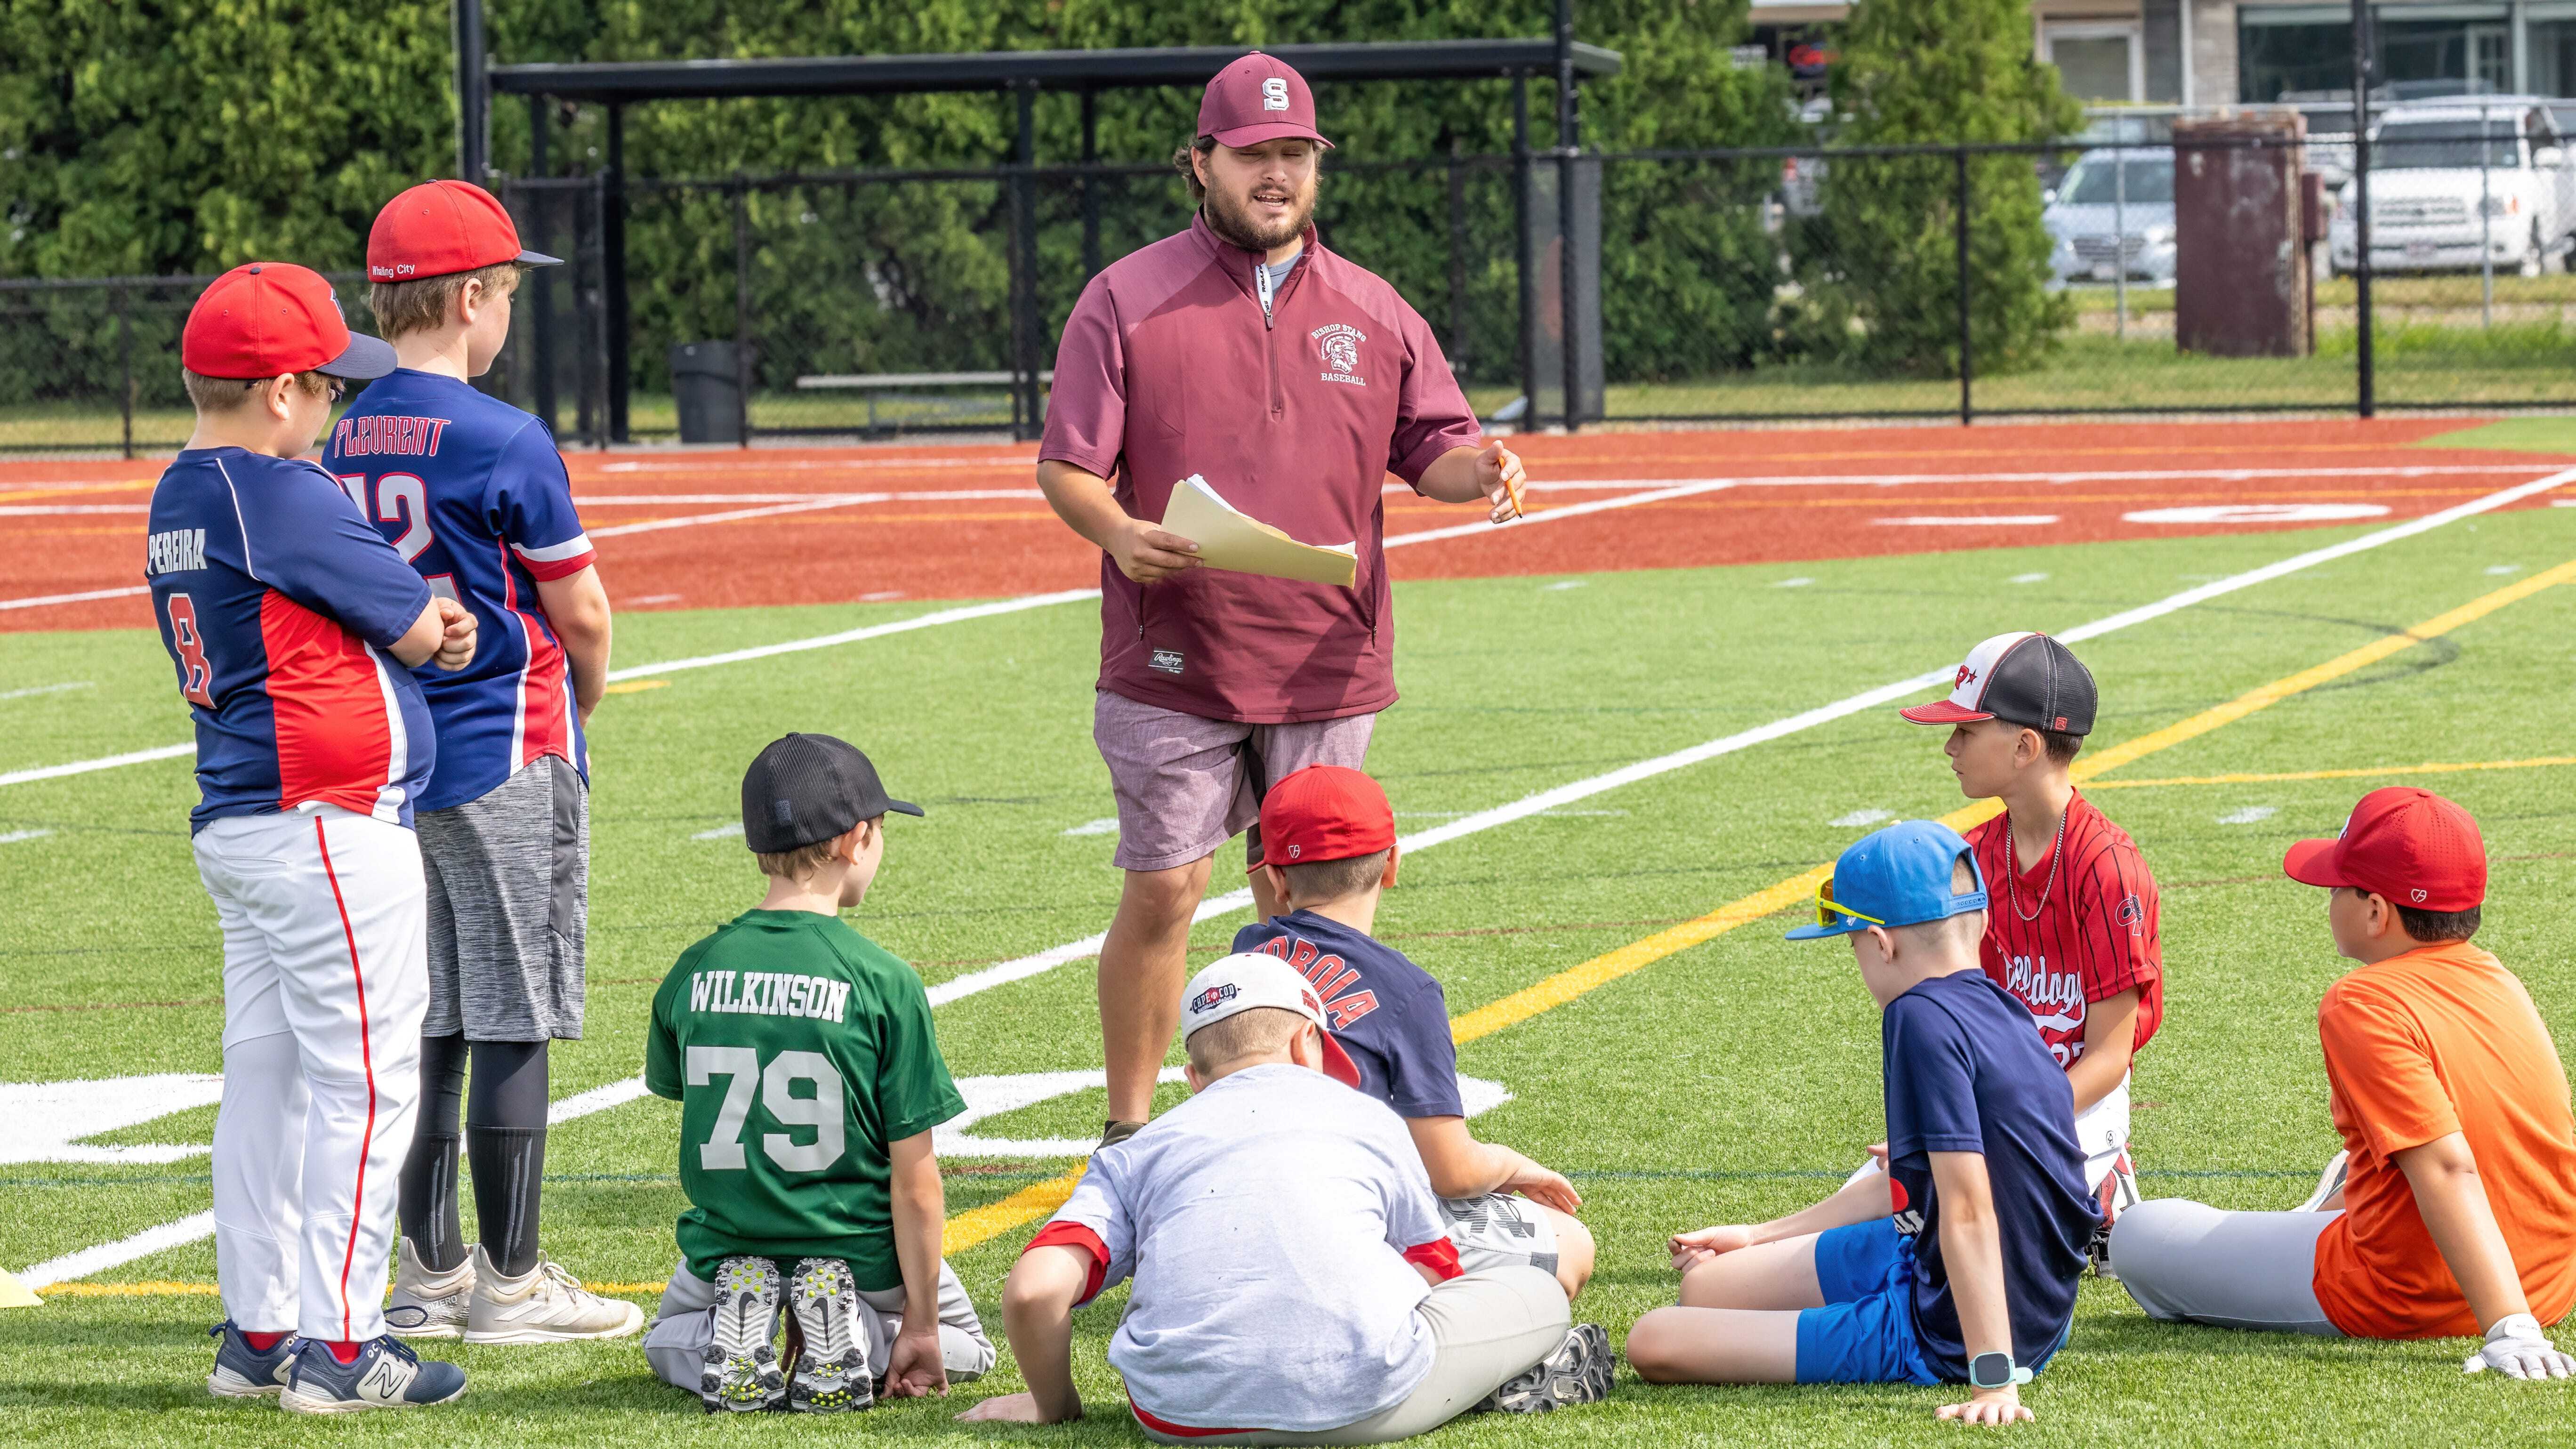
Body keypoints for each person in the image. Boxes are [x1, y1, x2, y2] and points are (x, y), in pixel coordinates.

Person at [1036, 52, 1529, 1147]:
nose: (1275, 173)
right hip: (1176, 656)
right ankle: (1129, 1130)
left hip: (1323, 661)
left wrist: (1482, 466)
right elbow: (1066, 465)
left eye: (1293, 154)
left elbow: (1432, 448)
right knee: (1165, 892)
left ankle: (1300, 1121)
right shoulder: (1122, 296)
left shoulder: (1374, 305)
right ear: (1200, 162)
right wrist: (1118, 531)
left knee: (1311, 908)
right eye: (1252, 154)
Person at [152, 262, 480, 1412]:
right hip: (322, 819)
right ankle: (341, 1346)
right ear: (280, 390)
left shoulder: (182, 487)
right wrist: (437, 631)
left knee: (269, 1076)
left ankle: (261, 1326)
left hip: (250, 816)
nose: (338, 408)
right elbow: (422, 621)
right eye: (329, 389)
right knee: (364, 1082)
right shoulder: (276, 489)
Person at [324, 180, 629, 1344]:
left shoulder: (346, 424)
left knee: (426, 1011)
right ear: (467, 298)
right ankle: (510, 1278)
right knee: (513, 1009)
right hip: (503, 736)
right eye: (502, 292)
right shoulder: (505, 433)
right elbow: (581, 609)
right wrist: (580, 701)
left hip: (394, 750)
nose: (505, 313)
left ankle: (429, 1265)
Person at [961, 952, 1610, 1441]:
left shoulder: (1139, 1148)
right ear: (1309, 1042)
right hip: (1362, 1402)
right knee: (1537, 1290)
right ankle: (1495, 1378)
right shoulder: (1367, 1118)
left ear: (1192, 1077)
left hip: (1178, 1415)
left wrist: (1055, 1404)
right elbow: (1433, 1274)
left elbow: (1032, 1290)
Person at [1628, 820, 2098, 1427]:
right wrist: (1757, 1233)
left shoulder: (1917, 1018)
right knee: (1706, 1285)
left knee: (1654, 1339)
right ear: (1978, 922)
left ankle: (1961, 1352)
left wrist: (1991, 1382)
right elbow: (1919, 1183)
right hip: (2017, 1302)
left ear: (1881, 943)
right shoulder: (2001, 1005)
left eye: (1851, 945)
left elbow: (1967, 1209)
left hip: (1953, 1330)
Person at [2110, 789, 2576, 1378]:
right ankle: (2333, 1203)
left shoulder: (2362, 999)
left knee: (2137, 1236)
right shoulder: (2499, 976)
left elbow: (2448, 1166)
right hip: (2550, 1280)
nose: (2328, 897)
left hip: (2414, 1294)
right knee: (2378, 1156)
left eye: (2338, 886)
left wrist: (2510, 1326)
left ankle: (2324, 1213)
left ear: (2377, 913)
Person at [641, 733, 997, 1413]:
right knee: (965, 1344)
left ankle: (738, 1332)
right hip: (856, 1249)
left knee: (665, 1341)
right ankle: (850, 1334)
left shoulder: (695, 966)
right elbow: (917, 1180)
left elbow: (686, 1093)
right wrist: (918, 1322)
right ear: (855, 840)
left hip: (728, 1248)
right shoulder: (883, 979)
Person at [1230, 765, 1596, 1304]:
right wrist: (1516, 1166)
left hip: (1243, 1221)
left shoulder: (1246, 953)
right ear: (1392, 864)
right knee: (1569, 1243)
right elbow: (1452, 1171)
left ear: (1278, 878)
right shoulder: (1408, 990)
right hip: (1344, 1233)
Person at [1897, 631, 2161, 1268]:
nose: (1949, 746)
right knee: (1907, 1209)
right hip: (1993, 1097)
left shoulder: (2108, 867)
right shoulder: (1976, 854)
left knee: (1965, 1234)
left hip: (2075, 1099)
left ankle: (2102, 1182)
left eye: (1966, 730)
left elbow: (2107, 1055)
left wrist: (2007, 1119)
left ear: (2025, 746)